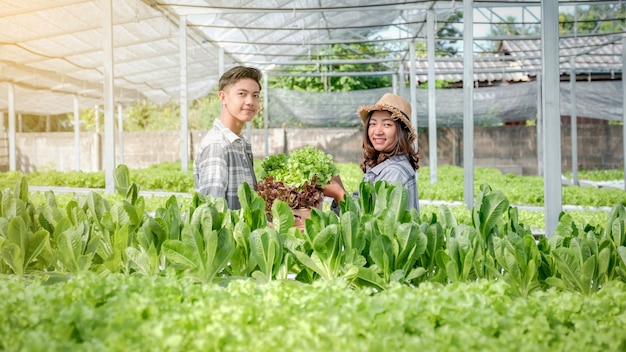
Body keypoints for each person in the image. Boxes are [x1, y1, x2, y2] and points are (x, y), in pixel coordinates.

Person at [323, 93, 420, 212]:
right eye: (373, 124)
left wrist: (338, 194)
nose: (377, 131)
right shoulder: (381, 165)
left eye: (387, 124)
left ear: (401, 132)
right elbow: (361, 211)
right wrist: (339, 188)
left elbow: (375, 226)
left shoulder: (395, 172)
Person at [194, 65, 262, 210]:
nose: (250, 101)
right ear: (223, 97)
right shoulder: (217, 146)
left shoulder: (240, 143)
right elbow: (213, 213)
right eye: (242, 94)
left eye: (255, 95)